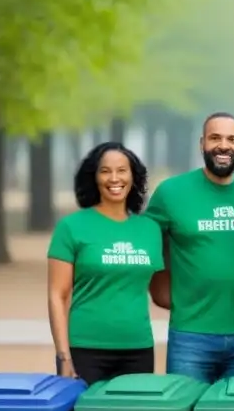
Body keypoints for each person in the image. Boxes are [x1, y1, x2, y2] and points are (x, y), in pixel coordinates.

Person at [144, 112, 234, 383]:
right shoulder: (171, 193)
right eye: (215, 138)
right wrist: (160, 291)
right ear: (202, 143)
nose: (224, 145)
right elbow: (143, 244)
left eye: (232, 139)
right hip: (190, 337)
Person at [47, 142, 162, 385]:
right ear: (94, 177)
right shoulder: (71, 227)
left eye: (122, 170)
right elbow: (58, 295)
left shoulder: (150, 230)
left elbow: (159, 288)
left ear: (133, 176)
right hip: (86, 349)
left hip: (138, 349)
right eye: (105, 171)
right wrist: (63, 356)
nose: (114, 178)